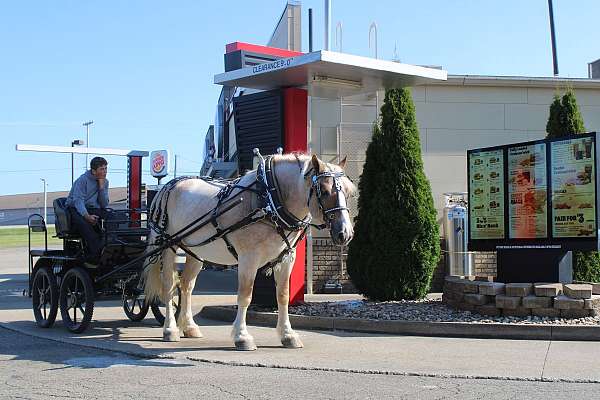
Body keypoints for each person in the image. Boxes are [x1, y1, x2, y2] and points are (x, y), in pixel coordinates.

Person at [65, 156, 110, 263]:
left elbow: (104, 204)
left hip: (92, 208)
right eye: (102, 169)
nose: (105, 172)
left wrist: (101, 188)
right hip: (75, 208)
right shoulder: (82, 180)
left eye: (106, 168)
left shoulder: (105, 182)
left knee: (113, 216)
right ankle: (95, 256)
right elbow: (78, 201)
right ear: (94, 171)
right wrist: (87, 216)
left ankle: (111, 245)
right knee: (85, 225)